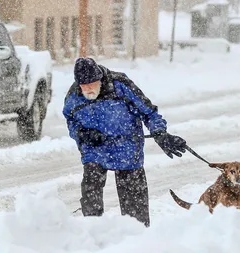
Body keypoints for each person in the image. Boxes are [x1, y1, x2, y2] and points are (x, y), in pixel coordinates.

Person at [62, 57, 187, 227]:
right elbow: (70, 120)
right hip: (95, 150)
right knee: (91, 190)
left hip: (126, 150)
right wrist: (82, 133)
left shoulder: (120, 85)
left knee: (134, 208)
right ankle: (93, 230)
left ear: (100, 79)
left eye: (93, 84)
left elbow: (149, 112)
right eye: (85, 86)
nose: (89, 89)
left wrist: (160, 134)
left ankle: (137, 235)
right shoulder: (73, 97)